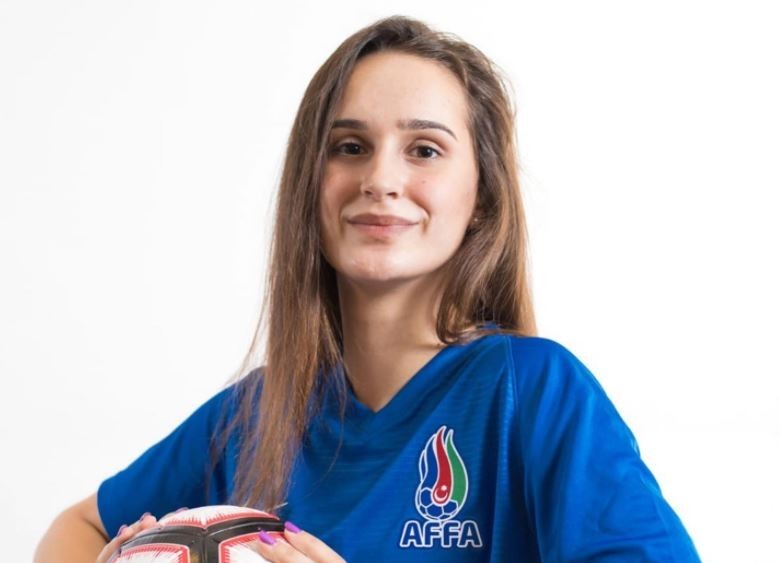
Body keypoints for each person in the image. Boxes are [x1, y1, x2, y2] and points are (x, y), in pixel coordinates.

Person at [35, 15, 701, 562]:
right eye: (350, 146)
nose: (380, 179)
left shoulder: (533, 389)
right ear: (310, 184)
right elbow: (76, 527)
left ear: (481, 198)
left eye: (425, 149)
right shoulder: (256, 414)